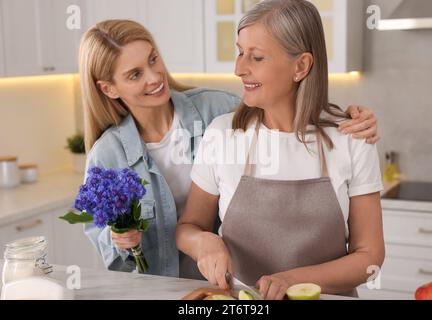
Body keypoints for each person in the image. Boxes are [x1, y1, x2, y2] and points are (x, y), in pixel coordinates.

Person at [80, 19, 380, 279]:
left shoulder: (216, 109)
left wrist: (345, 117)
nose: (154, 76)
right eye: (135, 74)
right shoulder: (107, 156)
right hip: (165, 284)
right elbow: (110, 252)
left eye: (153, 59)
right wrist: (119, 237)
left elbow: (283, 104)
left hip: (227, 283)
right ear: (109, 88)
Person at [176, 0, 385, 298]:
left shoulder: (351, 137)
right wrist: (203, 243)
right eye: (240, 52)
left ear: (301, 66)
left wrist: (291, 280)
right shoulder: (222, 134)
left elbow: (370, 256)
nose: (238, 68)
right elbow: (188, 227)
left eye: (257, 57)